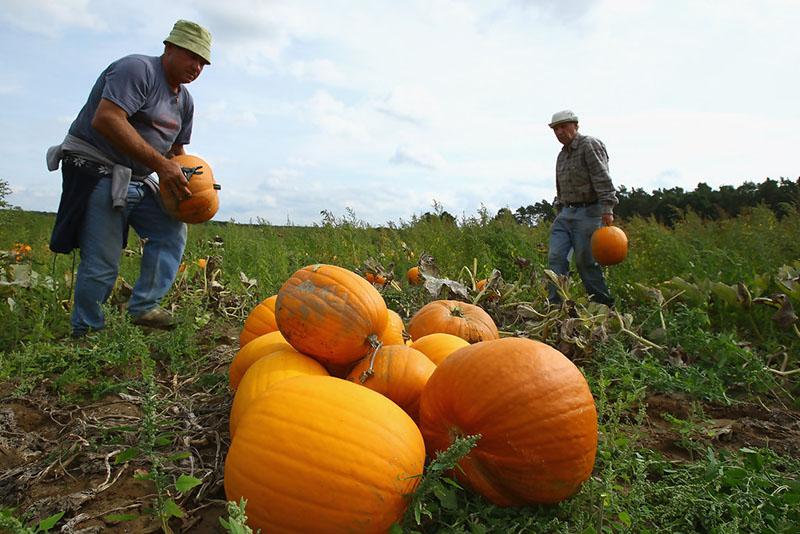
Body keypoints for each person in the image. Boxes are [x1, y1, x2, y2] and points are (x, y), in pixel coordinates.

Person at [46, 19, 212, 337]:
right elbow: (107, 119)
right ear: (169, 48)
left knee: (170, 232)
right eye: (191, 55)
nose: (197, 66)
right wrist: (162, 167)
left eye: (203, 61)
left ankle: (144, 307)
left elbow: (176, 152)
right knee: (103, 260)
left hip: (140, 176)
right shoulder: (138, 70)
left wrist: (188, 185)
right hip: (97, 167)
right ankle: (87, 333)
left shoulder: (185, 101)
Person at [546, 110, 617, 307]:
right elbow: (561, 187)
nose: (559, 132)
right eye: (556, 129)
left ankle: (603, 305)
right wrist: (560, 210)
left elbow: (602, 177)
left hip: (589, 212)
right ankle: (556, 305)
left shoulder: (589, 145)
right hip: (566, 212)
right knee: (556, 257)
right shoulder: (562, 155)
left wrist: (607, 208)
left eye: (564, 126)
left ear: (575, 126)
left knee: (586, 261)